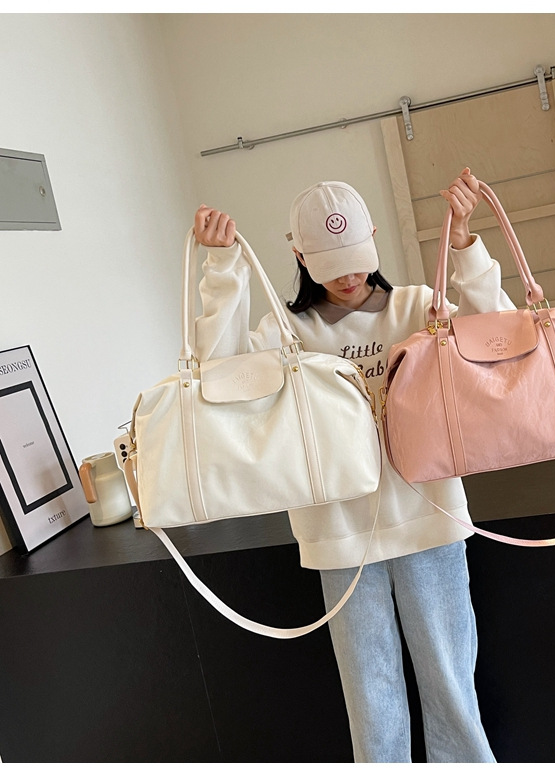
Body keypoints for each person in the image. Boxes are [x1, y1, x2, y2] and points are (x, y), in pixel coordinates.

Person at [193, 168, 515, 763]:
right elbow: (218, 377)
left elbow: (500, 334)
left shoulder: (418, 306)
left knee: (451, 686)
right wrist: (221, 269)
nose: (348, 276)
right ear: (298, 255)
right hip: (338, 535)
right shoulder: (286, 331)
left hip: (431, 518)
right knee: (371, 699)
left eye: (356, 258)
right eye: (329, 263)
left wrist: (466, 244)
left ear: (372, 238)